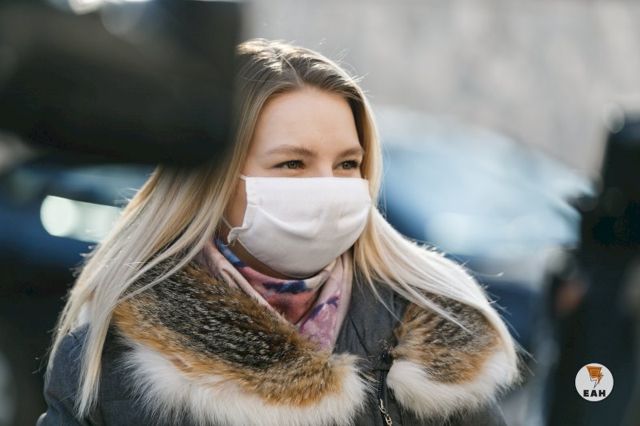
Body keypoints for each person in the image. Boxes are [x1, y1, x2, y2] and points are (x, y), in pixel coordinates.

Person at [37, 38, 523, 426]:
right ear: (212, 181)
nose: (328, 189)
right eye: (292, 163)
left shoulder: (432, 337)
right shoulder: (109, 360)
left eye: (347, 164)